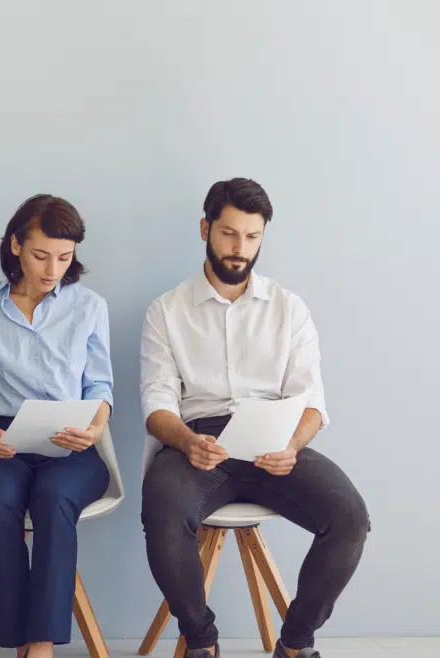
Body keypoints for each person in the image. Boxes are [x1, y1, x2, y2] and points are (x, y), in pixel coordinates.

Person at [139, 178, 370, 658]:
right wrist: (187, 441)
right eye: (228, 233)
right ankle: (201, 640)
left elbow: (312, 401)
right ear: (205, 228)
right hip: (197, 444)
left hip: (274, 443)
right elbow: (157, 405)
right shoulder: (166, 310)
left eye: (251, 236)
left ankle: (296, 642)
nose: (239, 248)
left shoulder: (289, 308)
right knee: (162, 508)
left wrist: (292, 446)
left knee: (350, 516)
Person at [0, 195, 113, 658]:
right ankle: (16, 640)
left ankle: (40, 645)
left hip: (73, 441)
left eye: (64, 257)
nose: (52, 270)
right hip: (3, 438)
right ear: (15, 245)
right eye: (41, 255)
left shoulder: (90, 306)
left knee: (54, 497)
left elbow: (100, 386)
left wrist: (95, 430)